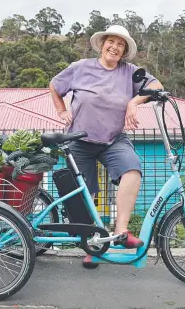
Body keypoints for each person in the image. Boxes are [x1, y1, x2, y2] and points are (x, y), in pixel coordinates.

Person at [49, 25, 163, 268]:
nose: (115, 47)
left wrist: (134, 101)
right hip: (80, 140)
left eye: (120, 44)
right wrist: (61, 110)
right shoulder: (81, 68)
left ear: (124, 51)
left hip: (113, 139)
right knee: (86, 194)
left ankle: (121, 232)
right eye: (111, 41)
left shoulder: (130, 72)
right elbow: (54, 85)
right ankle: (93, 244)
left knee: (132, 170)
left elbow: (156, 86)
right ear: (102, 44)